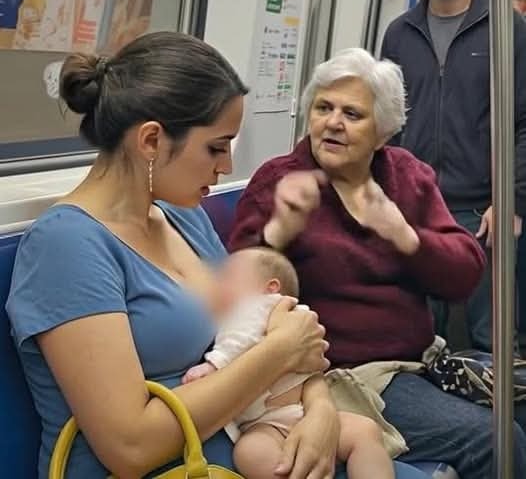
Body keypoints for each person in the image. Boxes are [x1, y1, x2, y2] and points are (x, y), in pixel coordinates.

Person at [5, 32, 424, 479]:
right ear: (151, 141)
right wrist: (281, 352)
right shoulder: (66, 246)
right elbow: (130, 447)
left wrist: (320, 410)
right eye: (216, 147)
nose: (226, 166)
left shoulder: (182, 218)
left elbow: (266, 330)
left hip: (253, 442)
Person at [229, 47, 526, 479]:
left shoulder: (406, 175)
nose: (333, 122)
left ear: (382, 134)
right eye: (324, 108)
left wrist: (406, 237)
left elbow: (464, 275)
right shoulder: (279, 182)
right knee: (497, 439)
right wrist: (277, 235)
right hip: (342, 375)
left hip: (421, 359)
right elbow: (237, 292)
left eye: (352, 114)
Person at [380, 0, 526, 353]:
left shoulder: (508, 30)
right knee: (416, 335)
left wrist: (511, 200)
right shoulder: (399, 34)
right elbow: (387, 124)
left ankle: (496, 404)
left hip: (482, 210)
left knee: (491, 340)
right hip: (414, 206)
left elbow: (523, 122)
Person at [183, 247, 395, 479]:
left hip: (293, 414)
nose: (217, 284)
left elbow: (238, 339)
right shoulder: (247, 318)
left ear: (271, 288)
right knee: (363, 432)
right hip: (269, 423)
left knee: (252, 453)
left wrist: (213, 365)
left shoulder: (260, 308)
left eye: (228, 276)